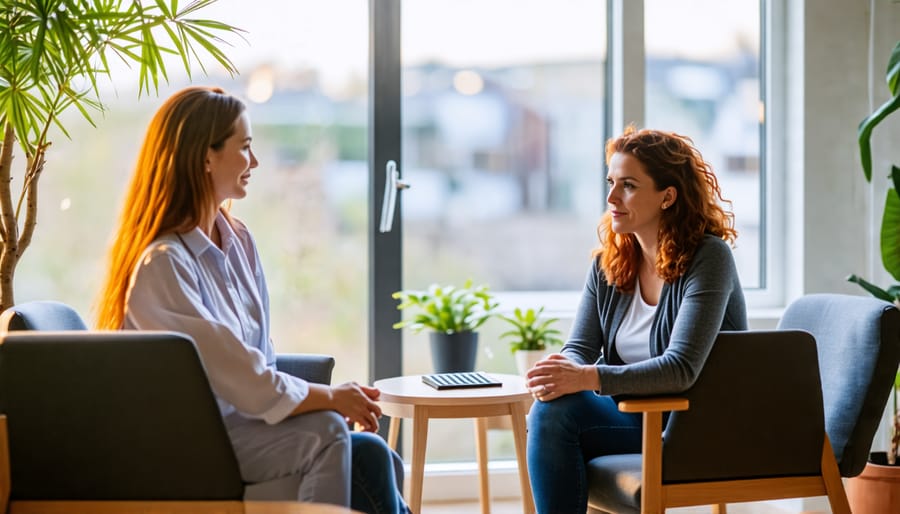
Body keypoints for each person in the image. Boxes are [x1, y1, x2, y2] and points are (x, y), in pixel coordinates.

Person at [96, 86, 408, 514]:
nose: (255, 162)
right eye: (244, 147)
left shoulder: (238, 241)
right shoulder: (163, 266)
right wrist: (331, 397)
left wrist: (323, 399)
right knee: (329, 433)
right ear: (207, 157)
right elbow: (245, 378)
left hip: (245, 427)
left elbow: (260, 359)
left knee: (377, 457)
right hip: (195, 440)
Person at [524, 126, 747, 513]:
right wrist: (562, 372)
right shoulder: (610, 262)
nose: (611, 197)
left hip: (692, 423)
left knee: (555, 418)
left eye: (628, 185)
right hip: (637, 414)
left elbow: (681, 369)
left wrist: (587, 378)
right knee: (550, 409)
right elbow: (581, 346)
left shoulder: (709, 259)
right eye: (611, 182)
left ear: (668, 196)